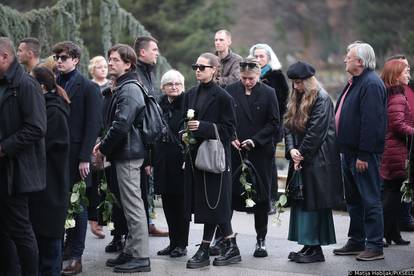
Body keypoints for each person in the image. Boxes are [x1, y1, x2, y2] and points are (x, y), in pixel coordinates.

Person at [93, 43, 151, 273]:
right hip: (125, 152)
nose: (110, 63)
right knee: (128, 206)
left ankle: (141, 256)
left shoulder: (129, 89)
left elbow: (121, 125)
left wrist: (103, 147)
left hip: (128, 154)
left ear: (128, 64)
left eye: (115, 59)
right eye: (109, 59)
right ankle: (130, 250)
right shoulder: (122, 86)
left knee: (134, 206)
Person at [182, 52, 240, 269]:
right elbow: (184, 122)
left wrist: (203, 127)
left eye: (202, 67)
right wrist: (184, 132)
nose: (197, 69)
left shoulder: (224, 97)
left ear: (214, 70)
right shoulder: (190, 94)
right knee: (213, 203)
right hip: (195, 156)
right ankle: (232, 245)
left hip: (215, 158)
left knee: (213, 203)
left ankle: (204, 250)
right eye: (195, 66)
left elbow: (230, 130)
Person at [284, 61, 343, 263]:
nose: (296, 87)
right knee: (303, 203)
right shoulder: (296, 97)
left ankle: (315, 248)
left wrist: (301, 154)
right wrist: (291, 149)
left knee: (314, 204)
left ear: (308, 81)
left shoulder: (322, 98)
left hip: (318, 160)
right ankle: (308, 245)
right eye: (293, 82)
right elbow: (289, 126)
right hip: (302, 158)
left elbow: (316, 132)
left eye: (299, 82)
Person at [333, 42, 387, 261]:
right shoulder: (356, 81)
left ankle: (374, 246)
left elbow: (371, 123)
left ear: (360, 61)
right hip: (349, 152)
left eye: (349, 55)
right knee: (354, 200)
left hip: (363, 155)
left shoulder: (371, 84)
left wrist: (364, 155)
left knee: (370, 200)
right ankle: (356, 241)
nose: (345, 58)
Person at [53, 41, 102, 275]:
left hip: (77, 155)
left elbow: (93, 125)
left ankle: (76, 256)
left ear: (75, 60)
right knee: (61, 203)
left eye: (63, 57)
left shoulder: (89, 87)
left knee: (79, 203)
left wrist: (85, 158)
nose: (59, 61)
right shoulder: (52, 82)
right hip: (55, 154)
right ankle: (64, 247)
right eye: (56, 57)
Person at [0, 37, 46, 276]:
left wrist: (4, 148)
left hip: (17, 173)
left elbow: (37, 127)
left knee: (20, 230)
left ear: (5, 57)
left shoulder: (25, 85)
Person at [226, 57, 280, 257]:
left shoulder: (269, 93)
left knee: (260, 198)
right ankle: (225, 238)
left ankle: (261, 239)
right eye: (244, 78)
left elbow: (274, 123)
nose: (247, 81)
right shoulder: (230, 90)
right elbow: (225, 119)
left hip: (259, 152)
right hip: (235, 150)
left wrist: (254, 140)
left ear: (258, 75)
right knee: (229, 195)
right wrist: (233, 137)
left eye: (251, 78)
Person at [29, 65, 71, 276]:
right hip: (42, 185)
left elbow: (44, 146)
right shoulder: (45, 107)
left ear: (42, 87)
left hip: (51, 186)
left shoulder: (54, 111)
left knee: (50, 243)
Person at [133, 35, 168, 237]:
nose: (157, 53)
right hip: (139, 141)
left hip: (147, 141)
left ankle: (149, 223)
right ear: (142, 52)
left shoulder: (148, 72)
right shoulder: (137, 74)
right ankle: (130, 235)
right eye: (154, 49)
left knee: (146, 188)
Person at [249, 43, 289, 214]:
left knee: (269, 164)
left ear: (268, 58)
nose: (258, 59)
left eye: (261, 57)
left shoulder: (276, 76)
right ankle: (254, 200)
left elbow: (282, 103)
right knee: (252, 163)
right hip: (251, 127)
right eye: (255, 56)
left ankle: (270, 201)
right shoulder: (248, 76)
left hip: (270, 127)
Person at [154, 69, 190, 258]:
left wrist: (188, 158)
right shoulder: (158, 105)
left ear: (182, 86)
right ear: (163, 87)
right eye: (170, 84)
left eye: (177, 84)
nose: (174, 87)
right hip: (163, 160)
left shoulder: (188, 104)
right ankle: (172, 243)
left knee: (181, 205)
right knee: (167, 203)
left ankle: (181, 245)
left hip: (181, 161)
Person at [379, 59, 413, 246]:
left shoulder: (393, 95)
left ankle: (393, 234)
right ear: (396, 74)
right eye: (406, 71)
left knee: (394, 194)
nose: (409, 74)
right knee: (392, 195)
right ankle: (383, 233)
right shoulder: (397, 97)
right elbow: (398, 125)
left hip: (392, 150)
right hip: (395, 151)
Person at [87, 55, 111, 240]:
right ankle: (93, 220)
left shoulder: (112, 86)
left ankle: (104, 219)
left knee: (105, 181)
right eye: (99, 67)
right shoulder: (90, 87)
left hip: (107, 134)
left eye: (105, 66)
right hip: (93, 135)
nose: (103, 69)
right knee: (92, 181)